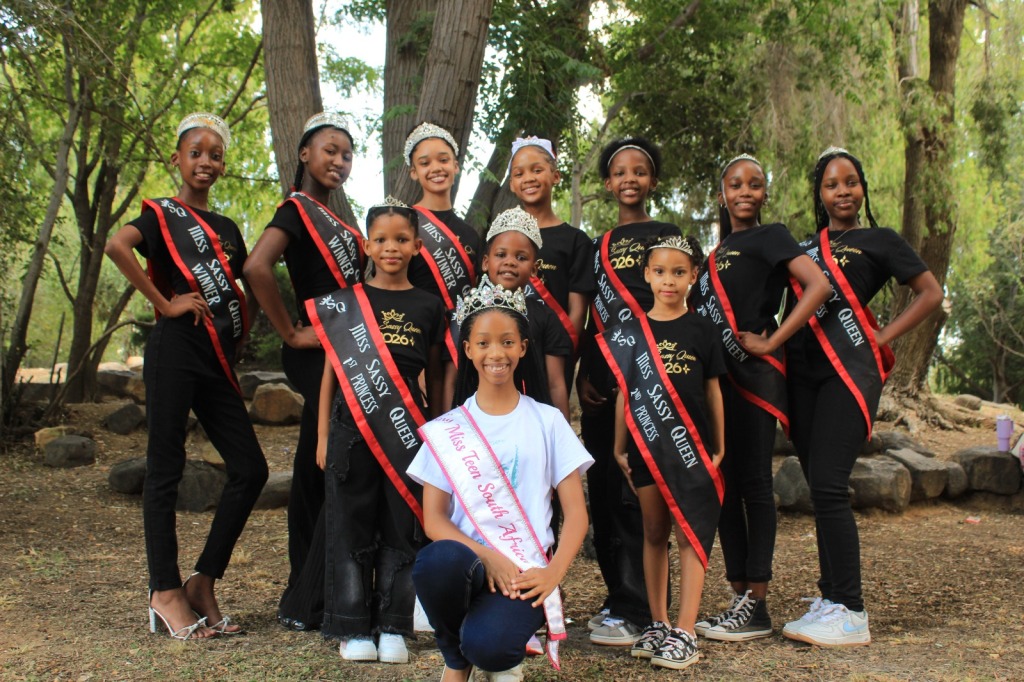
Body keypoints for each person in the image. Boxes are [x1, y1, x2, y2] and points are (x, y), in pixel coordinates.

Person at [104, 113, 268, 640]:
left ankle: (203, 581)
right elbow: (116, 246)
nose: (206, 161)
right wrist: (165, 304)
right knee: (165, 467)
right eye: (196, 152)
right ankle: (164, 590)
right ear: (176, 159)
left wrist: (240, 334)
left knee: (250, 468)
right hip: (174, 351)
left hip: (216, 360)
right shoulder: (160, 215)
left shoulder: (227, 230)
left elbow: (239, 293)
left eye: (215, 154)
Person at [781, 147, 942, 646]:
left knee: (829, 483)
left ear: (862, 188)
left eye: (851, 182)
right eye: (832, 184)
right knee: (818, 484)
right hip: (802, 374)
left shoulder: (881, 240)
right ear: (820, 194)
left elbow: (930, 292)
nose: (843, 191)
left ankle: (851, 609)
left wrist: (883, 336)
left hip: (848, 372)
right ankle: (831, 597)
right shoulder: (805, 246)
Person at [409, 278, 593, 682]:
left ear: (523, 348)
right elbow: (434, 521)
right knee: (434, 562)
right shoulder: (448, 429)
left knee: (490, 648)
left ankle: (487, 646)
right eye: (485, 342)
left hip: (525, 571)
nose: (497, 353)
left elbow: (576, 515)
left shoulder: (548, 421)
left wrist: (552, 574)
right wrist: (487, 555)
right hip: (466, 563)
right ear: (468, 349)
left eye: (508, 342)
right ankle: (456, 663)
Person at [689, 154, 831, 642]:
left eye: (754, 184)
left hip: (754, 375)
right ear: (723, 192)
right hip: (719, 381)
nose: (744, 191)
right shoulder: (715, 253)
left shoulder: (772, 236)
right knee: (722, 484)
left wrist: (773, 341)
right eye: (735, 184)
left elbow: (819, 286)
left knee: (752, 482)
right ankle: (739, 594)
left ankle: (760, 600)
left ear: (764, 193)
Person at [306, 196, 445, 664]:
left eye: (401, 239)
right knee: (350, 522)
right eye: (381, 239)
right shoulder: (346, 305)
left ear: (417, 246)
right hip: (349, 424)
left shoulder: (429, 305)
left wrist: (440, 435)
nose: (391, 247)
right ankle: (351, 626)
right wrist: (325, 436)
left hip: (408, 427)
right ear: (366, 245)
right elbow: (329, 373)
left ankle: (394, 625)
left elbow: (437, 375)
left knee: (402, 525)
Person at [243, 112, 364, 632]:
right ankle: (307, 594)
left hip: (341, 348)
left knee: (325, 459)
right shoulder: (296, 210)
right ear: (304, 155)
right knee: (321, 463)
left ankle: (319, 586)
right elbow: (255, 268)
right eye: (329, 150)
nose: (338, 161)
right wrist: (290, 333)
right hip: (316, 349)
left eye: (346, 154)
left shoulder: (338, 219)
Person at [597, 235, 726, 670]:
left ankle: (686, 631)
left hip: (691, 451)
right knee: (653, 532)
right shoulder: (630, 333)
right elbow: (624, 394)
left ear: (693, 276)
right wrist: (618, 447)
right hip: (644, 446)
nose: (668, 281)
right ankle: (658, 621)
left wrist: (719, 447)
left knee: (690, 534)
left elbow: (713, 392)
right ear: (646, 275)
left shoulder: (704, 330)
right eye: (659, 272)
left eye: (678, 272)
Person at [575, 137, 682, 646]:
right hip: (604, 379)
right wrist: (581, 375)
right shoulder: (595, 247)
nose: (630, 179)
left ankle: (644, 605)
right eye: (620, 172)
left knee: (643, 489)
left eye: (640, 170)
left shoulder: (669, 234)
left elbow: (689, 304)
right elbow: (585, 317)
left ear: (653, 181)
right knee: (605, 488)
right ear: (607, 183)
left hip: (657, 375)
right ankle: (619, 596)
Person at [456, 206, 572, 419]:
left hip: (531, 418)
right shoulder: (471, 313)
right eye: (501, 254)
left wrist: (563, 435)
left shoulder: (545, 316)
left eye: (521, 257)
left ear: (535, 268)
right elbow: (459, 375)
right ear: (485, 261)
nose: (509, 261)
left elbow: (555, 383)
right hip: (478, 417)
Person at [507, 136, 595, 390]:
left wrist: (565, 355)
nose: (529, 178)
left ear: (555, 176)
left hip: (554, 356)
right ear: (512, 184)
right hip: (507, 352)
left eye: (537, 170)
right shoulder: (502, 238)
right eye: (519, 173)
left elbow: (578, 311)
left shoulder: (576, 241)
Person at [404, 121, 482, 363]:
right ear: (414, 172)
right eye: (425, 163)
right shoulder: (402, 222)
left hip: (458, 348)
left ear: (456, 166)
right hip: (413, 339)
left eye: (443, 160)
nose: (436, 168)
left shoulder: (470, 234)